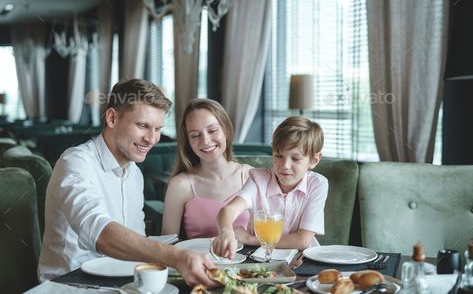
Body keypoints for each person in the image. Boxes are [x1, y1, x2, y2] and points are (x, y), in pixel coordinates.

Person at [38, 79, 216, 286]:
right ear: (112, 118)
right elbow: (100, 232)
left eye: (158, 128)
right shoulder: (75, 162)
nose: (152, 139)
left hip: (123, 284)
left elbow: (136, 241)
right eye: (143, 126)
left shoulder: (134, 174)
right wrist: (175, 256)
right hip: (70, 286)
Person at [212, 116, 329, 259]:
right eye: (279, 156)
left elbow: (302, 240)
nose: (285, 165)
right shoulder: (258, 179)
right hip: (259, 258)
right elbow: (228, 210)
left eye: (295, 158)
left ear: (314, 160)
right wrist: (226, 231)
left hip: (302, 260)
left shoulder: (317, 184)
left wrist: (250, 239)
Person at [162, 99, 252, 239]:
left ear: (226, 131)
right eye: (195, 135)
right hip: (198, 260)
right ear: (188, 142)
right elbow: (167, 243)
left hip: (250, 260)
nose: (205, 141)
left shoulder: (250, 176)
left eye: (213, 130)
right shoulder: (180, 185)